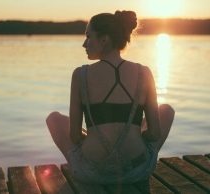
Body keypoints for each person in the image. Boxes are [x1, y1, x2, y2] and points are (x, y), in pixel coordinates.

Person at [46, 10, 175, 184]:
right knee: (166, 110)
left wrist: (94, 137)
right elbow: (154, 134)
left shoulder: (80, 75)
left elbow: (75, 137)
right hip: (137, 171)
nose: (84, 44)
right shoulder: (144, 73)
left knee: (54, 119)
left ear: (105, 39)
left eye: (88, 36)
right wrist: (133, 134)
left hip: (91, 173)